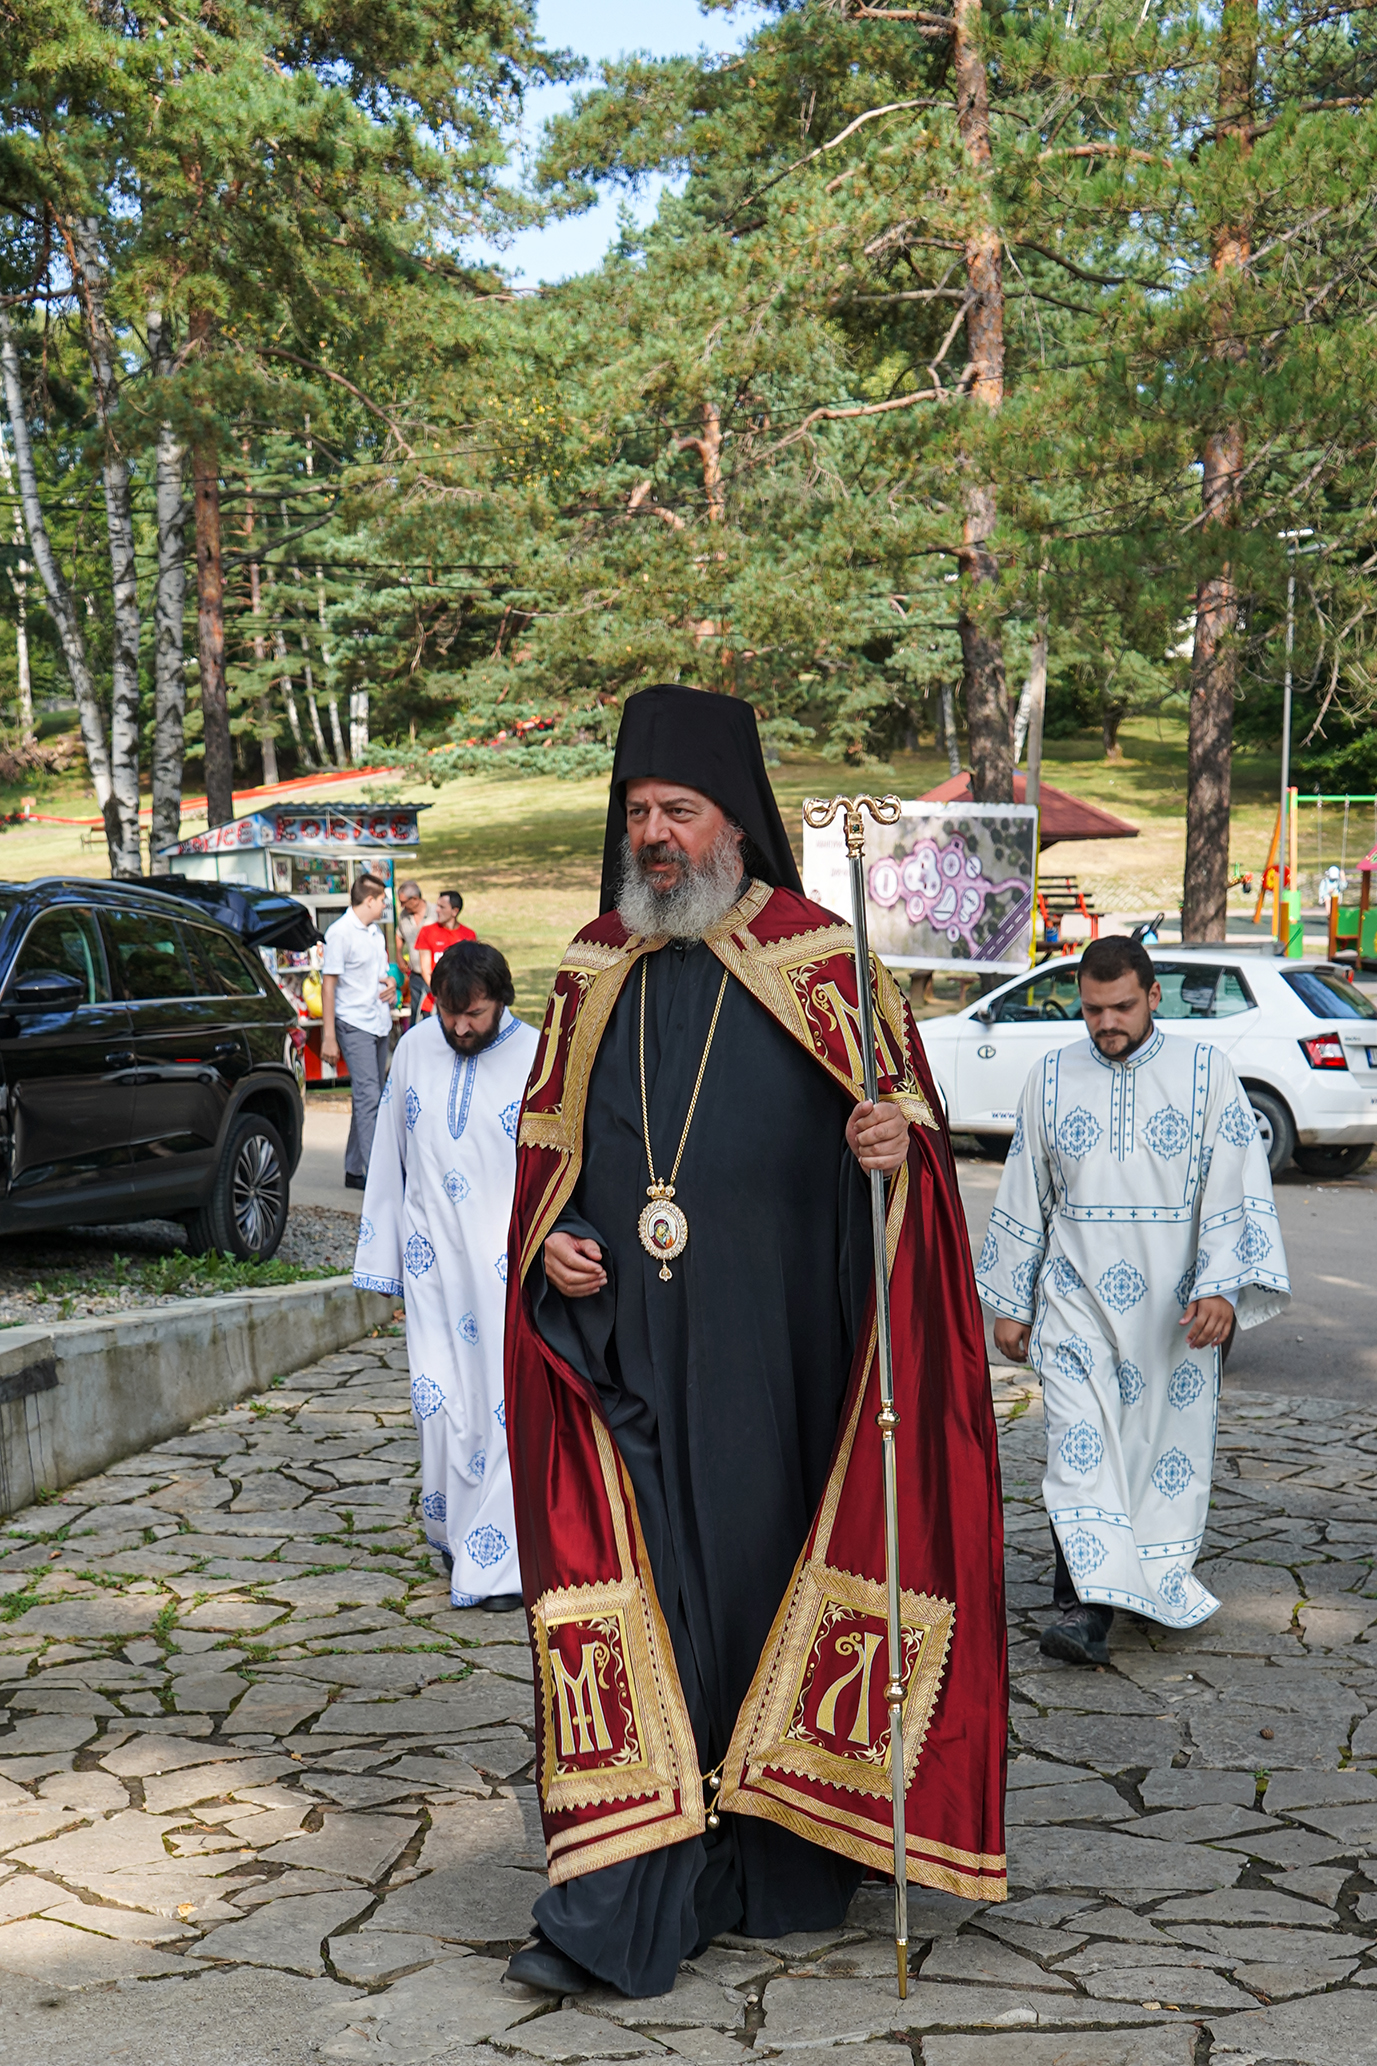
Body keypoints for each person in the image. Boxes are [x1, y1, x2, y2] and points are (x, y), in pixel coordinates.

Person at [502, 684, 1007, 2001]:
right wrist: (556, 1245)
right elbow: (548, 1166)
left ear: (735, 822)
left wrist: (892, 1153)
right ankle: (622, 1902)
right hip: (628, 1364)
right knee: (644, 1608)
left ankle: (779, 1862)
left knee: (762, 1604)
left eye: (678, 809)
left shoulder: (826, 965)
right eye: (636, 812)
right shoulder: (590, 968)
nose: (653, 836)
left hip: (787, 1373)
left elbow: (910, 1174)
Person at [976, 934, 1291, 1668]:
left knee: (1153, 1451)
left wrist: (1219, 1286)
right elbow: (1026, 1187)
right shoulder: (1051, 1076)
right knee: (1079, 1444)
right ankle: (1084, 1608)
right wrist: (1012, 1300)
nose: (1106, 1023)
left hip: (1173, 1310)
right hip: (1075, 1297)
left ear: (1152, 996)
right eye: (1092, 1010)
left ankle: (1141, 1580)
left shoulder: (1205, 1072)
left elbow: (1234, 1182)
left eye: (1120, 1007)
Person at [354, 939, 538, 1609]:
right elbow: (389, 1156)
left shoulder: (537, 1056)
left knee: (502, 1409)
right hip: (430, 1266)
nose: (460, 1027)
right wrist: (383, 1262)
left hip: (504, 1271)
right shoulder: (413, 1049)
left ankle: (499, 1565)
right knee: (439, 1409)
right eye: (449, 1012)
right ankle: (457, 1537)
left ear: (501, 1002)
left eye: (475, 1014)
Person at [321, 872, 396, 1191]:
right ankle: (379, 1177)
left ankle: (354, 1169)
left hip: (378, 1021)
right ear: (369, 900)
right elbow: (328, 985)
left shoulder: (375, 934)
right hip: (353, 1024)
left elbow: (381, 974)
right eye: (382, 901)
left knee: (369, 1098)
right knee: (370, 1097)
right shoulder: (340, 933)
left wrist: (391, 983)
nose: (384, 906)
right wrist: (328, 1036)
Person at [413, 890, 476, 1015]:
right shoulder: (427, 932)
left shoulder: (469, 935)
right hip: (435, 999)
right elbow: (425, 969)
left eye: (442, 907)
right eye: (437, 906)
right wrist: (441, 993)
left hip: (460, 1000)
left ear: (455, 911)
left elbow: (472, 970)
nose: (437, 910)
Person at [397, 879, 437, 1028]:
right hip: (416, 974)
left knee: (433, 1014)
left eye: (403, 902)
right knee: (416, 1014)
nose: (401, 906)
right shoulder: (403, 916)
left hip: (434, 974)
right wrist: (399, 954)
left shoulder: (435, 913)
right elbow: (399, 934)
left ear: (415, 899)